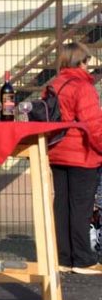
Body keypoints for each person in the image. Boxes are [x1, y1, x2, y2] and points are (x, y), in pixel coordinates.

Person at [46, 41, 102, 274]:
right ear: (81, 61)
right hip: (81, 153)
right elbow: (94, 124)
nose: (88, 65)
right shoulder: (83, 86)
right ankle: (82, 259)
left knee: (62, 204)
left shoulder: (53, 85)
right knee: (81, 206)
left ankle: (63, 257)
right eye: (87, 60)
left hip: (57, 151)